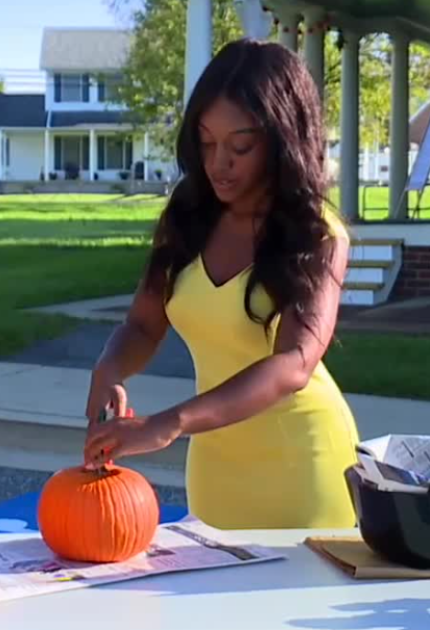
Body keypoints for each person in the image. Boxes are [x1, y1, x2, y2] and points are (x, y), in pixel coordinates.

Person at [82, 39, 360, 530]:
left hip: (303, 464)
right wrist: (110, 369)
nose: (219, 163)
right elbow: (143, 326)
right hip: (214, 466)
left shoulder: (317, 235)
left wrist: (168, 424)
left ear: (282, 138)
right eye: (207, 143)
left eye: (240, 146)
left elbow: (294, 364)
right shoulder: (188, 217)